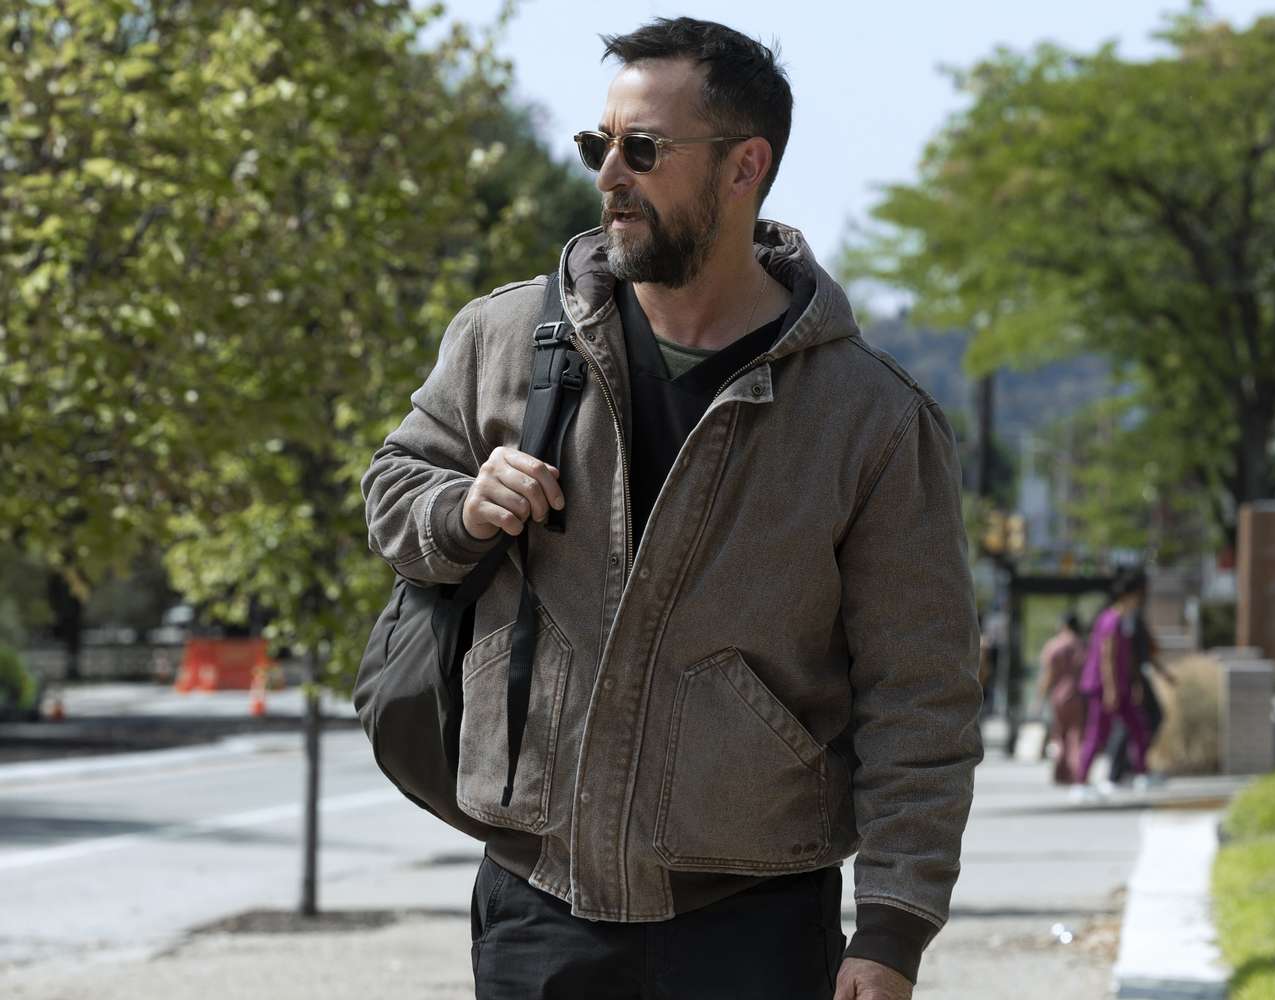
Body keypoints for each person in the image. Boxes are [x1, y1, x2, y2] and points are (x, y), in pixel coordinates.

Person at [361, 18, 982, 1000]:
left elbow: (922, 691)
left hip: (756, 922)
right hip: (536, 906)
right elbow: (393, 491)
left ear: (745, 167)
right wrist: (461, 508)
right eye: (597, 144)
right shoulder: (503, 336)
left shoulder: (871, 417)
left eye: (643, 149)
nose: (610, 174)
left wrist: (893, 926)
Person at [1073, 572, 1152, 797]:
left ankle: (1142, 774)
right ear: (1128, 595)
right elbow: (1106, 656)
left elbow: (1127, 657)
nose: (1139, 600)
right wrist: (1110, 689)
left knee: (1138, 727)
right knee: (1097, 733)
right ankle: (1080, 784)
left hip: (1121, 686)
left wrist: (1132, 683)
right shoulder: (1111, 619)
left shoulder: (1123, 619)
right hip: (1105, 687)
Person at [1108, 583, 1177, 787]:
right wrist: (1135, 684)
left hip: (1136, 678)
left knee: (1140, 723)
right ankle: (1120, 771)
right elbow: (1128, 656)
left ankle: (1131, 768)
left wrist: (1163, 674)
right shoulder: (1122, 619)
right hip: (1132, 679)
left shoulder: (1133, 617)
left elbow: (1147, 652)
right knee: (1129, 725)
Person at [1037, 613, 1087, 785]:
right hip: (1077, 694)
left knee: (1059, 735)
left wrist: (1039, 698)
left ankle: (1060, 773)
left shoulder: (1054, 645)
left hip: (1058, 695)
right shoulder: (1081, 645)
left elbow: (1048, 674)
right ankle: (1076, 772)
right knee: (1076, 735)